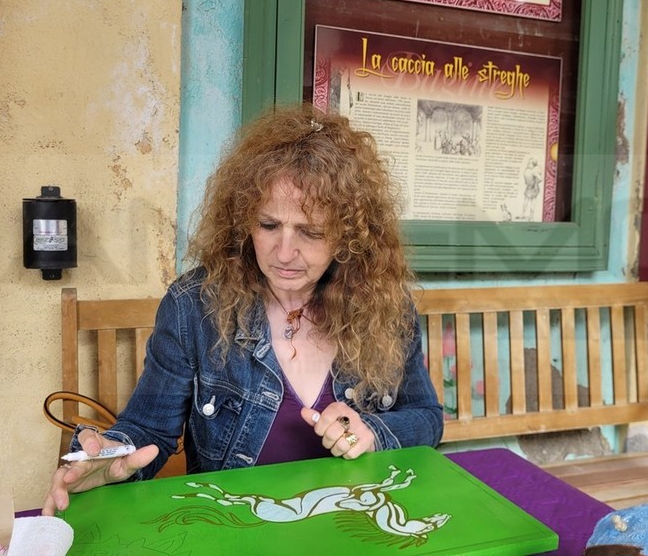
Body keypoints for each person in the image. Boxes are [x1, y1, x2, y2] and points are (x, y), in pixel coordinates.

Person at [43, 103, 444, 515]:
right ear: (243, 221)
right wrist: (109, 458)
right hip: (235, 525)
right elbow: (149, 429)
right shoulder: (194, 306)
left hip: (354, 521)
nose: (284, 253)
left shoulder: (383, 305)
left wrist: (372, 432)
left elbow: (427, 418)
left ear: (349, 236)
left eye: (310, 232)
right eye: (268, 225)